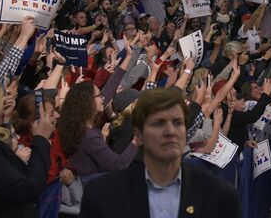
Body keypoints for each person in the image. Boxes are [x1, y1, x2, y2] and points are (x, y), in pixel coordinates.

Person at [80, 88, 241, 218]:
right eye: (158, 123)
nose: (170, 131)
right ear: (138, 136)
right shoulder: (101, 195)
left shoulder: (220, 196)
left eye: (178, 123)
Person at [0, 78, 56, 218]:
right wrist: (41, 138)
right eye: (1, 100)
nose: (5, 103)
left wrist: (6, 119)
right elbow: (29, 187)